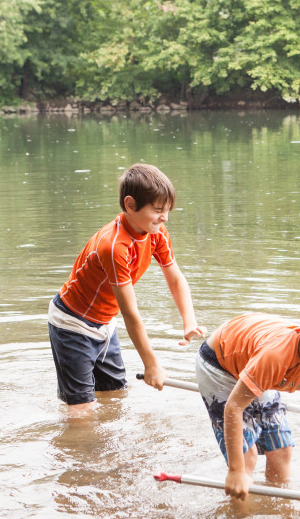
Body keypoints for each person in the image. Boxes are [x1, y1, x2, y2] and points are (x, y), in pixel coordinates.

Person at [48, 163, 205, 415]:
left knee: (115, 397)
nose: (164, 218)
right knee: (81, 411)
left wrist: (189, 320)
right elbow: (131, 313)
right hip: (72, 324)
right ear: (130, 205)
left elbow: (175, 278)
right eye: (157, 210)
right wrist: (151, 363)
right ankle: (77, 448)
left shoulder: (156, 233)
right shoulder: (114, 246)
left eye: (167, 210)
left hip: (105, 324)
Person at [195, 288, 300, 509]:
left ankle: (277, 511)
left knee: (282, 451)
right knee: (246, 458)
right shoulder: (277, 357)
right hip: (220, 364)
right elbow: (234, 408)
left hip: (257, 364)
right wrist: (236, 471)